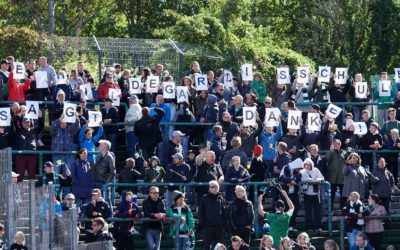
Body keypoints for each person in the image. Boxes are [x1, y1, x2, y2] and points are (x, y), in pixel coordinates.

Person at [13, 116, 44, 182]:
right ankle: (18, 192)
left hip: (31, 155)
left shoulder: (33, 130)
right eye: (25, 122)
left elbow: (41, 126)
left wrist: (40, 117)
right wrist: (18, 115)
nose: (27, 123)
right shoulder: (18, 130)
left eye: (28, 122)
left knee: (32, 175)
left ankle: (32, 192)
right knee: (19, 175)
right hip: (21, 156)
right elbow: (15, 123)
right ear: (22, 123)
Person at [199, 181, 227, 250]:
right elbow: (201, 212)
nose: (210, 188)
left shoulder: (221, 198)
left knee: (219, 246)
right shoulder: (204, 198)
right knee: (207, 246)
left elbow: (224, 212)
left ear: (217, 188)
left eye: (212, 187)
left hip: (219, 227)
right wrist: (203, 224)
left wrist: (224, 224)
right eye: (210, 187)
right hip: (208, 226)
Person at [301, 158, 324, 231]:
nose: (307, 166)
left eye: (308, 164)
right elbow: (301, 179)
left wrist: (316, 180)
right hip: (307, 193)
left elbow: (322, 178)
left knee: (317, 211)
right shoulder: (302, 171)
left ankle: (318, 226)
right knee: (308, 211)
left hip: (316, 193)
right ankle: (309, 227)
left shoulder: (316, 170)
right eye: (306, 164)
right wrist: (308, 180)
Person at [326, 139, 346, 210]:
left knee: (343, 195)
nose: (335, 145)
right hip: (332, 177)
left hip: (341, 177)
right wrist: (330, 151)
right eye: (334, 144)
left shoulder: (344, 152)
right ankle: (330, 209)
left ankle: (343, 208)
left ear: (340, 145)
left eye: (337, 144)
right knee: (331, 195)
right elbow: (326, 160)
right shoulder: (331, 152)